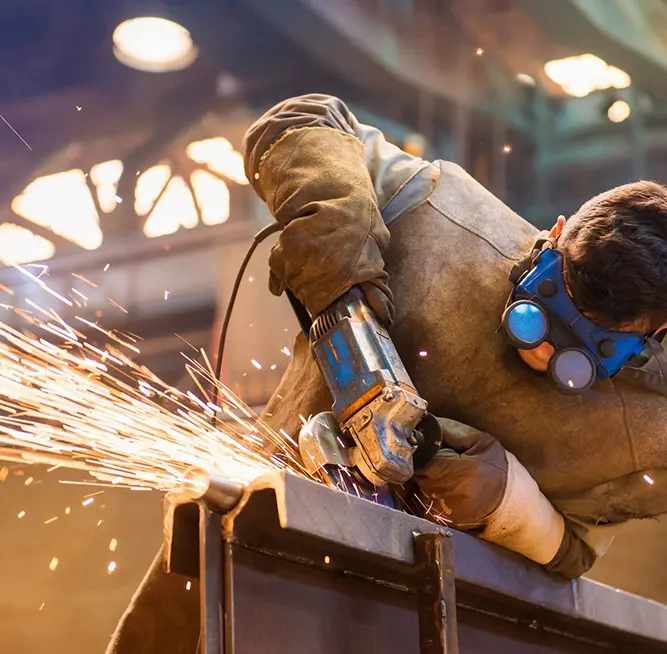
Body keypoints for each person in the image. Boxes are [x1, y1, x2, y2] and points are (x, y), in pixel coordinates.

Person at [106, 94, 667, 653]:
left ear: (655, 335)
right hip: (248, 537)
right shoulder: (439, 214)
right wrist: (335, 218)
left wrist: (507, 502)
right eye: (538, 312)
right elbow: (303, 118)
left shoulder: (646, 432)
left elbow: (572, 555)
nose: (543, 348)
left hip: (417, 623)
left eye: (582, 354)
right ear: (556, 232)